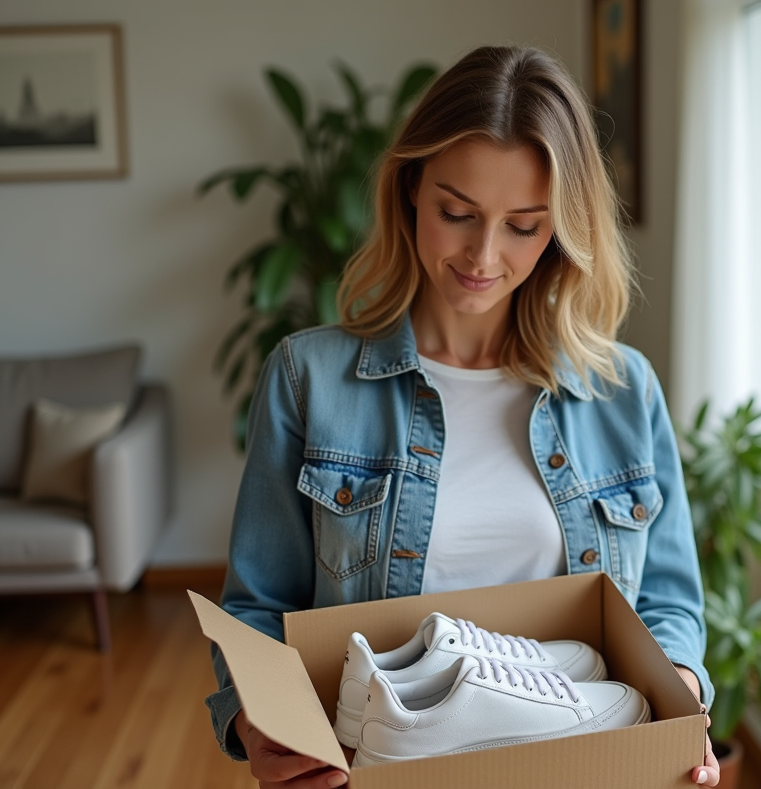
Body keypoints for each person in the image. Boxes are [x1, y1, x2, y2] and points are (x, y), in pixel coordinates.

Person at [205, 43, 722, 788]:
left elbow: (669, 604)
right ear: (410, 189)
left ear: (563, 228)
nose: (484, 255)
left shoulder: (621, 390)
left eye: (524, 225)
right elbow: (259, 604)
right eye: (458, 213)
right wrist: (259, 722)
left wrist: (680, 707)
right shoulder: (308, 377)